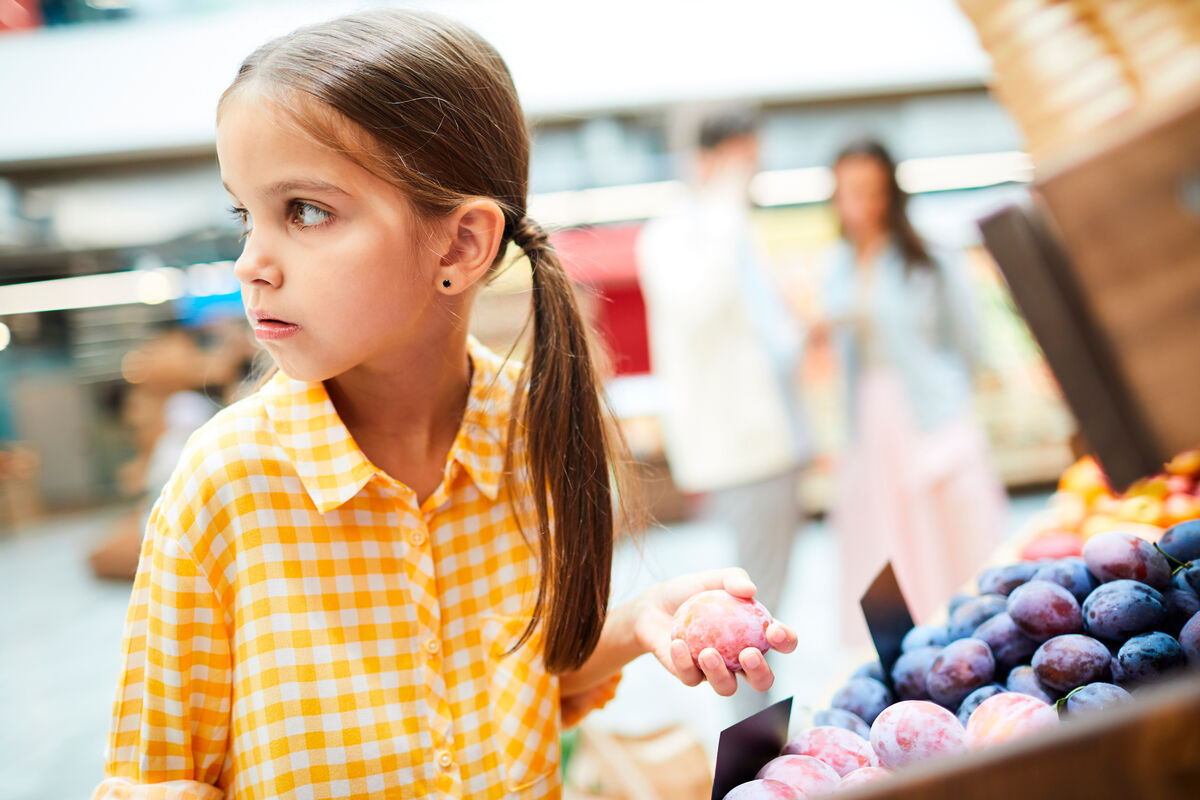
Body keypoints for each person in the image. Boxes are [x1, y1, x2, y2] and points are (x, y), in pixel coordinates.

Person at [93, 11, 798, 800]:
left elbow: (529, 687)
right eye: (244, 214)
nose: (251, 262)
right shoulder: (223, 487)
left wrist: (634, 626)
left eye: (306, 210)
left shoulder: (529, 430)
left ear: (461, 245)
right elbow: (153, 784)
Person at [637, 112, 810, 709]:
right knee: (747, 617)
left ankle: (763, 743)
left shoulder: (728, 229)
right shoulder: (681, 233)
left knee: (769, 603)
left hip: (775, 445)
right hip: (743, 451)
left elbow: (770, 338)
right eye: (742, 163)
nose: (750, 177)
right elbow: (702, 305)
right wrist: (724, 200)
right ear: (708, 161)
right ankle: (757, 754)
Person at [819, 138, 1007, 634]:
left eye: (869, 190)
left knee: (948, 534)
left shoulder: (928, 259)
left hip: (928, 411)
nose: (858, 203)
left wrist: (952, 402)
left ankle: (967, 634)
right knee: (884, 540)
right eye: (847, 191)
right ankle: (906, 648)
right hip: (868, 418)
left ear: (889, 193)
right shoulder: (835, 265)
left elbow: (967, 341)